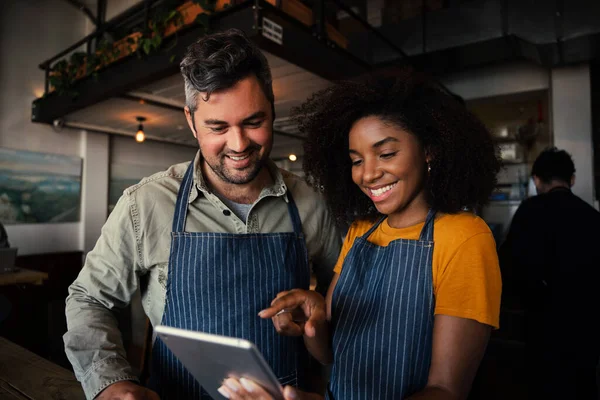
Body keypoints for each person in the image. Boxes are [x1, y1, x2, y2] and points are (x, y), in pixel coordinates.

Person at [64, 29, 342, 400]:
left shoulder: (310, 203)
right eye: (218, 127)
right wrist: (111, 383)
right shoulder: (144, 203)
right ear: (192, 121)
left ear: (273, 110)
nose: (239, 144)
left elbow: (343, 303)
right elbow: (89, 298)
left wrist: (321, 314)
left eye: (253, 122)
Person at [218, 71, 503, 400]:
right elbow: (329, 355)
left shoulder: (464, 237)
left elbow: (446, 390)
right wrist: (314, 318)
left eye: (386, 154)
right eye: (356, 160)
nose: (368, 174)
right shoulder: (360, 232)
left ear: (429, 150)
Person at [499, 147, 600, 400]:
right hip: (588, 327)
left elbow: (510, 266)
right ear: (572, 179)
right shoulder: (593, 217)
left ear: (536, 180)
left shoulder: (529, 211)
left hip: (542, 326)